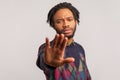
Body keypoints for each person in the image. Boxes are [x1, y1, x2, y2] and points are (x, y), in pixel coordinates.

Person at [36, 2, 91, 80]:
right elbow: (43, 61)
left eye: (69, 19)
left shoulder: (80, 48)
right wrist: (50, 64)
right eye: (59, 21)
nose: (65, 24)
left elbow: (86, 75)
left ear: (76, 21)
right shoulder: (47, 48)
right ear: (53, 25)